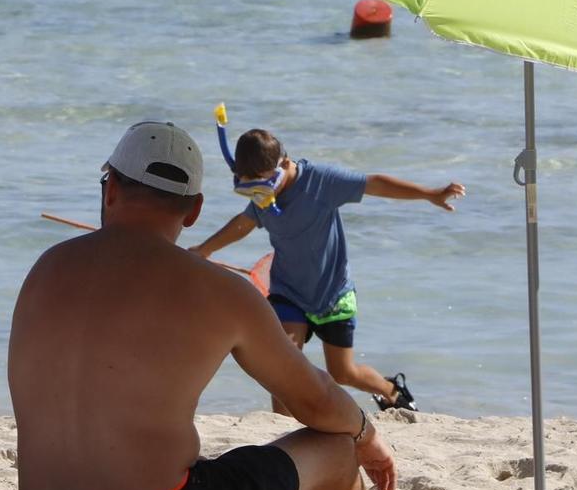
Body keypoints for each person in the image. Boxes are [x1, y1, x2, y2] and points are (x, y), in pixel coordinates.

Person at [9, 122, 437, 490]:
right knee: (336, 443)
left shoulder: (46, 267)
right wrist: (365, 434)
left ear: (111, 188)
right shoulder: (219, 291)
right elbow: (313, 399)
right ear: (193, 211)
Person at [191, 126, 464, 412]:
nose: (259, 192)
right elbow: (244, 223)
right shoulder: (260, 193)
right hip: (288, 292)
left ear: (284, 163)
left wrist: (429, 194)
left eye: (265, 182)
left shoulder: (320, 183)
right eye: (250, 186)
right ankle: (284, 434)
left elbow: (374, 183)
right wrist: (205, 249)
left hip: (332, 294)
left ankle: (392, 391)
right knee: (281, 366)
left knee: (343, 373)